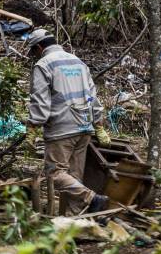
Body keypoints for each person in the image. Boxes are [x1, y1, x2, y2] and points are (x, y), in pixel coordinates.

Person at [26, 28, 112, 215]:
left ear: (39, 47)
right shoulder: (78, 62)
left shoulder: (43, 65)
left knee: (55, 174)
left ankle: (92, 198)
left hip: (61, 130)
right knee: (74, 178)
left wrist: (33, 125)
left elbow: (40, 101)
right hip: (84, 127)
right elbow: (93, 98)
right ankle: (75, 221)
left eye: (33, 51)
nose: (33, 55)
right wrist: (98, 125)